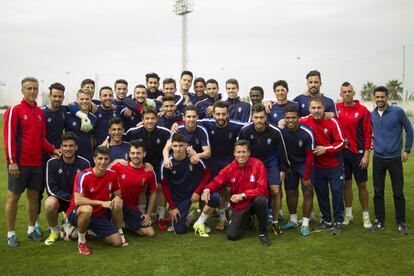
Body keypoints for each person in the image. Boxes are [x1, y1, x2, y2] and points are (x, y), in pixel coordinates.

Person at [4, 77, 60, 247]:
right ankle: (11, 234)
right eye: (29, 88)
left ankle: (31, 229)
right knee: (13, 197)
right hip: (19, 163)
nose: (32, 91)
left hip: (37, 163)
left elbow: (42, 139)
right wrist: (12, 161)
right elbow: (9, 137)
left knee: (34, 196)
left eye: (35, 88)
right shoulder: (15, 109)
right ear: (22, 90)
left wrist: (53, 150)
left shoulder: (40, 113)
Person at [193, 140, 271, 246]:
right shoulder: (230, 168)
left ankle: (263, 233)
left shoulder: (258, 165)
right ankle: (247, 219)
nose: (241, 155)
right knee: (232, 235)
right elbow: (217, 181)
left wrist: (243, 195)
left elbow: (262, 189)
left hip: (254, 202)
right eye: (238, 152)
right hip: (240, 206)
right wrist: (207, 190)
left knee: (261, 200)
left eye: (244, 152)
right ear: (234, 153)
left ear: (249, 153)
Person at [238, 103, 290, 236]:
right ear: (252, 117)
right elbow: (239, 151)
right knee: (249, 190)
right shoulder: (245, 131)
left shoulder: (275, 131)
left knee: (275, 190)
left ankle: (275, 221)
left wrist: (283, 170)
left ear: (266, 117)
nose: (259, 120)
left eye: (261, 117)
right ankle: (248, 217)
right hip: (252, 163)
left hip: (270, 162)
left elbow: (282, 152)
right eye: (256, 117)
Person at [369, 86, 413, 235]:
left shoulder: (398, 112)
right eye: (377, 97)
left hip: (395, 158)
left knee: (398, 192)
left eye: (382, 97)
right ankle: (379, 221)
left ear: (387, 97)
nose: (380, 99)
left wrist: (407, 150)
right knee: (378, 191)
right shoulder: (372, 114)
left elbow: (409, 129)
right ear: (374, 98)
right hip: (378, 159)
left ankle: (401, 223)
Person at [66, 146, 126, 256]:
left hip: (98, 215)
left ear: (109, 159)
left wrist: (117, 198)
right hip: (77, 212)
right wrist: (101, 203)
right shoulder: (83, 175)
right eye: (100, 158)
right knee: (87, 209)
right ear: (94, 159)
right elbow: (78, 200)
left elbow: (117, 193)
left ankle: (92, 231)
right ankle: (81, 241)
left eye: (106, 159)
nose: (103, 162)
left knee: (117, 242)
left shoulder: (112, 174)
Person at [300, 96, 345, 235]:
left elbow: (342, 142)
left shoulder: (332, 121)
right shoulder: (305, 120)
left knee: (337, 192)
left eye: (319, 108)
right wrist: (282, 121)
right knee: (322, 193)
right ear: (309, 109)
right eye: (313, 108)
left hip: (334, 164)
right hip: (317, 166)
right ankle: (326, 221)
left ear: (324, 108)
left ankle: (338, 221)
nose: (316, 111)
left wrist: (327, 148)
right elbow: (292, 121)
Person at [198, 101, 245, 230]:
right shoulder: (206, 123)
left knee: (228, 190)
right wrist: (176, 124)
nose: (221, 117)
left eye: (223, 114)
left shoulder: (236, 125)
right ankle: (222, 217)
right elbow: (189, 121)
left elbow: (252, 124)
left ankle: (229, 216)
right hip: (212, 163)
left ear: (228, 114)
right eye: (218, 114)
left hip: (229, 163)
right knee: (217, 190)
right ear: (213, 114)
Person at [123, 107, 171, 230]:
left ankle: (161, 217)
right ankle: (141, 214)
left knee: (159, 187)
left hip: (158, 164)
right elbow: (120, 139)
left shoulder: (164, 132)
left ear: (157, 119)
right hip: (140, 163)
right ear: (142, 120)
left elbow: (173, 143)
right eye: (147, 118)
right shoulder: (134, 132)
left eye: (153, 118)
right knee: (142, 187)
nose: (150, 121)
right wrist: (107, 142)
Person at [336, 82, 372, 228]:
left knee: (362, 185)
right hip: (343, 154)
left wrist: (366, 155)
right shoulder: (336, 108)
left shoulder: (363, 111)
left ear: (353, 92)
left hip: (359, 154)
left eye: (349, 91)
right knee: (346, 184)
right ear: (341, 94)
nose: (347, 94)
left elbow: (368, 134)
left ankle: (366, 216)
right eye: (344, 92)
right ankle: (348, 215)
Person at [44, 132, 90, 245]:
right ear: (60, 147)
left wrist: (77, 201)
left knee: (70, 236)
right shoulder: (52, 163)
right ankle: (54, 231)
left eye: (71, 146)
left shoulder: (85, 163)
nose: (68, 149)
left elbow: (87, 188)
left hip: (77, 202)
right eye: (65, 146)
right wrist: (71, 199)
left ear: (76, 147)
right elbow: (51, 189)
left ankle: (73, 224)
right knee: (49, 202)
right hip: (61, 200)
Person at [161, 134, 212, 234]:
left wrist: (197, 192)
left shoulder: (193, 158)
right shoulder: (166, 164)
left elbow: (207, 175)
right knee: (178, 230)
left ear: (186, 146)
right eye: (175, 146)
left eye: (180, 146)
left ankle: (202, 221)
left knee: (214, 197)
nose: (178, 149)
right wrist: (172, 207)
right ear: (171, 147)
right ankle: (190, 217)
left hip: (194, 192)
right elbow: (165, 187)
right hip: (179, 196)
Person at [110, 140, 157, 237]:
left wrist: (148, 214)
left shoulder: (149, 172)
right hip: (113, 204)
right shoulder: (119, 166)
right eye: (133, 153)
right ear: (129, 154)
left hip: (131, 207)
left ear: (144, 154)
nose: (135, 156)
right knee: (117, 202)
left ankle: (123, 224)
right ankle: (114, 222)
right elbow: (102, 172)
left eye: (138, 153)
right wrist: (114, 161)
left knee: (150, 233)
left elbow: (153, 193)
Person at [280, 105, 315, 236]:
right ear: (284, 118)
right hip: (290, 166)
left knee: (308, 192)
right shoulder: (281, 132)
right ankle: (293, 220)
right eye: (288, 118)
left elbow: (310, 156)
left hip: (305, 164)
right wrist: (284, 168)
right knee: (290, 192)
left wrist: (306, 176)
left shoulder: (307, 132)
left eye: (293, 117)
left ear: (299, 118)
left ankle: (305, 223)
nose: (290, 120)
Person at [65, 88, 97, 164]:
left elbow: (93, 138)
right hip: (70, 156)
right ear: (77, 100)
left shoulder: (94, 118)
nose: (84, 101)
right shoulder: (68, 114)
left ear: (91, 100)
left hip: (88, 156)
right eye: (82, 99)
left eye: (87, 99)